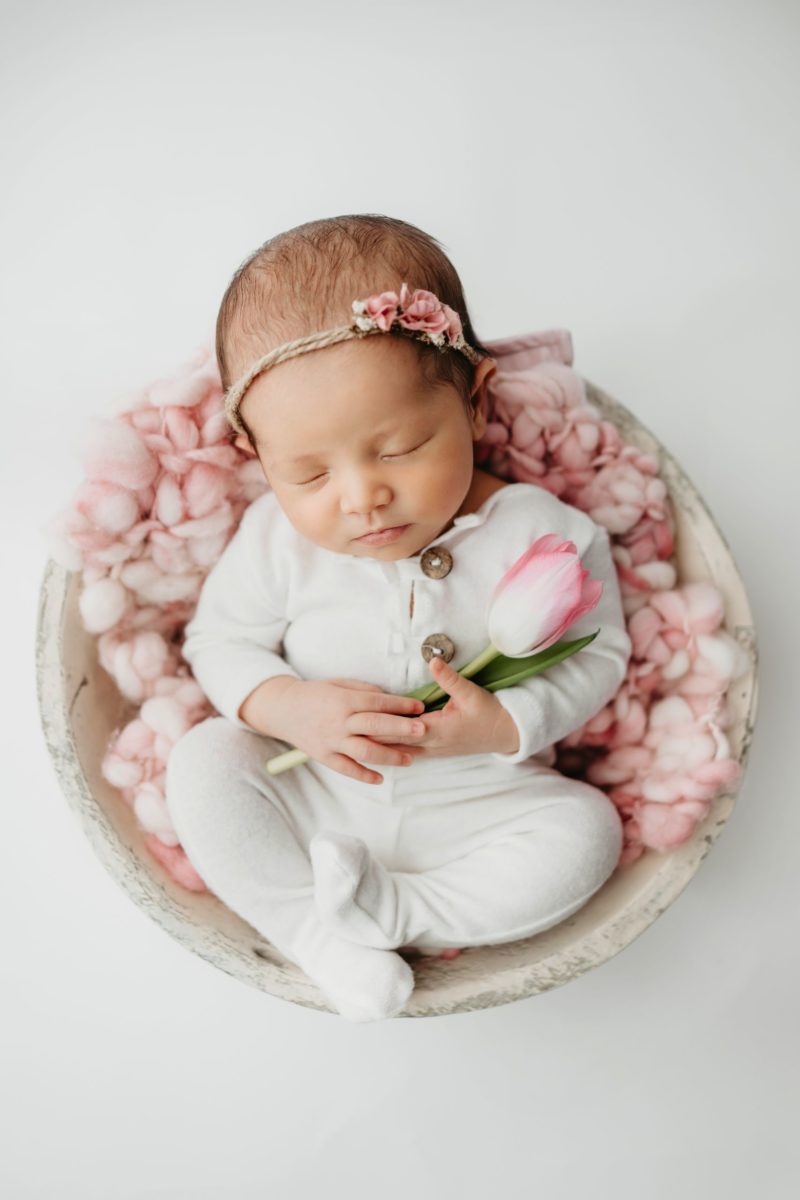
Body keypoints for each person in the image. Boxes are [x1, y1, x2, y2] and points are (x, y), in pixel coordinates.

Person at [165, 213, 632, 1023]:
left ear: (476, 403)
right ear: (258, 458)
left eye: (400, 448)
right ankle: (313, 932)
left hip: (482, 802)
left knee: (586, 835)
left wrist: (505, 725)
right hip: (314, 790)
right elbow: (219, 639)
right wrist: (288, 708)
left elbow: (603, 654)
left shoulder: (545, 531)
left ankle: (396, 913)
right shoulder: (278, 542)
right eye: (308, 473)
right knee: (204, 764)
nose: (360, 495)